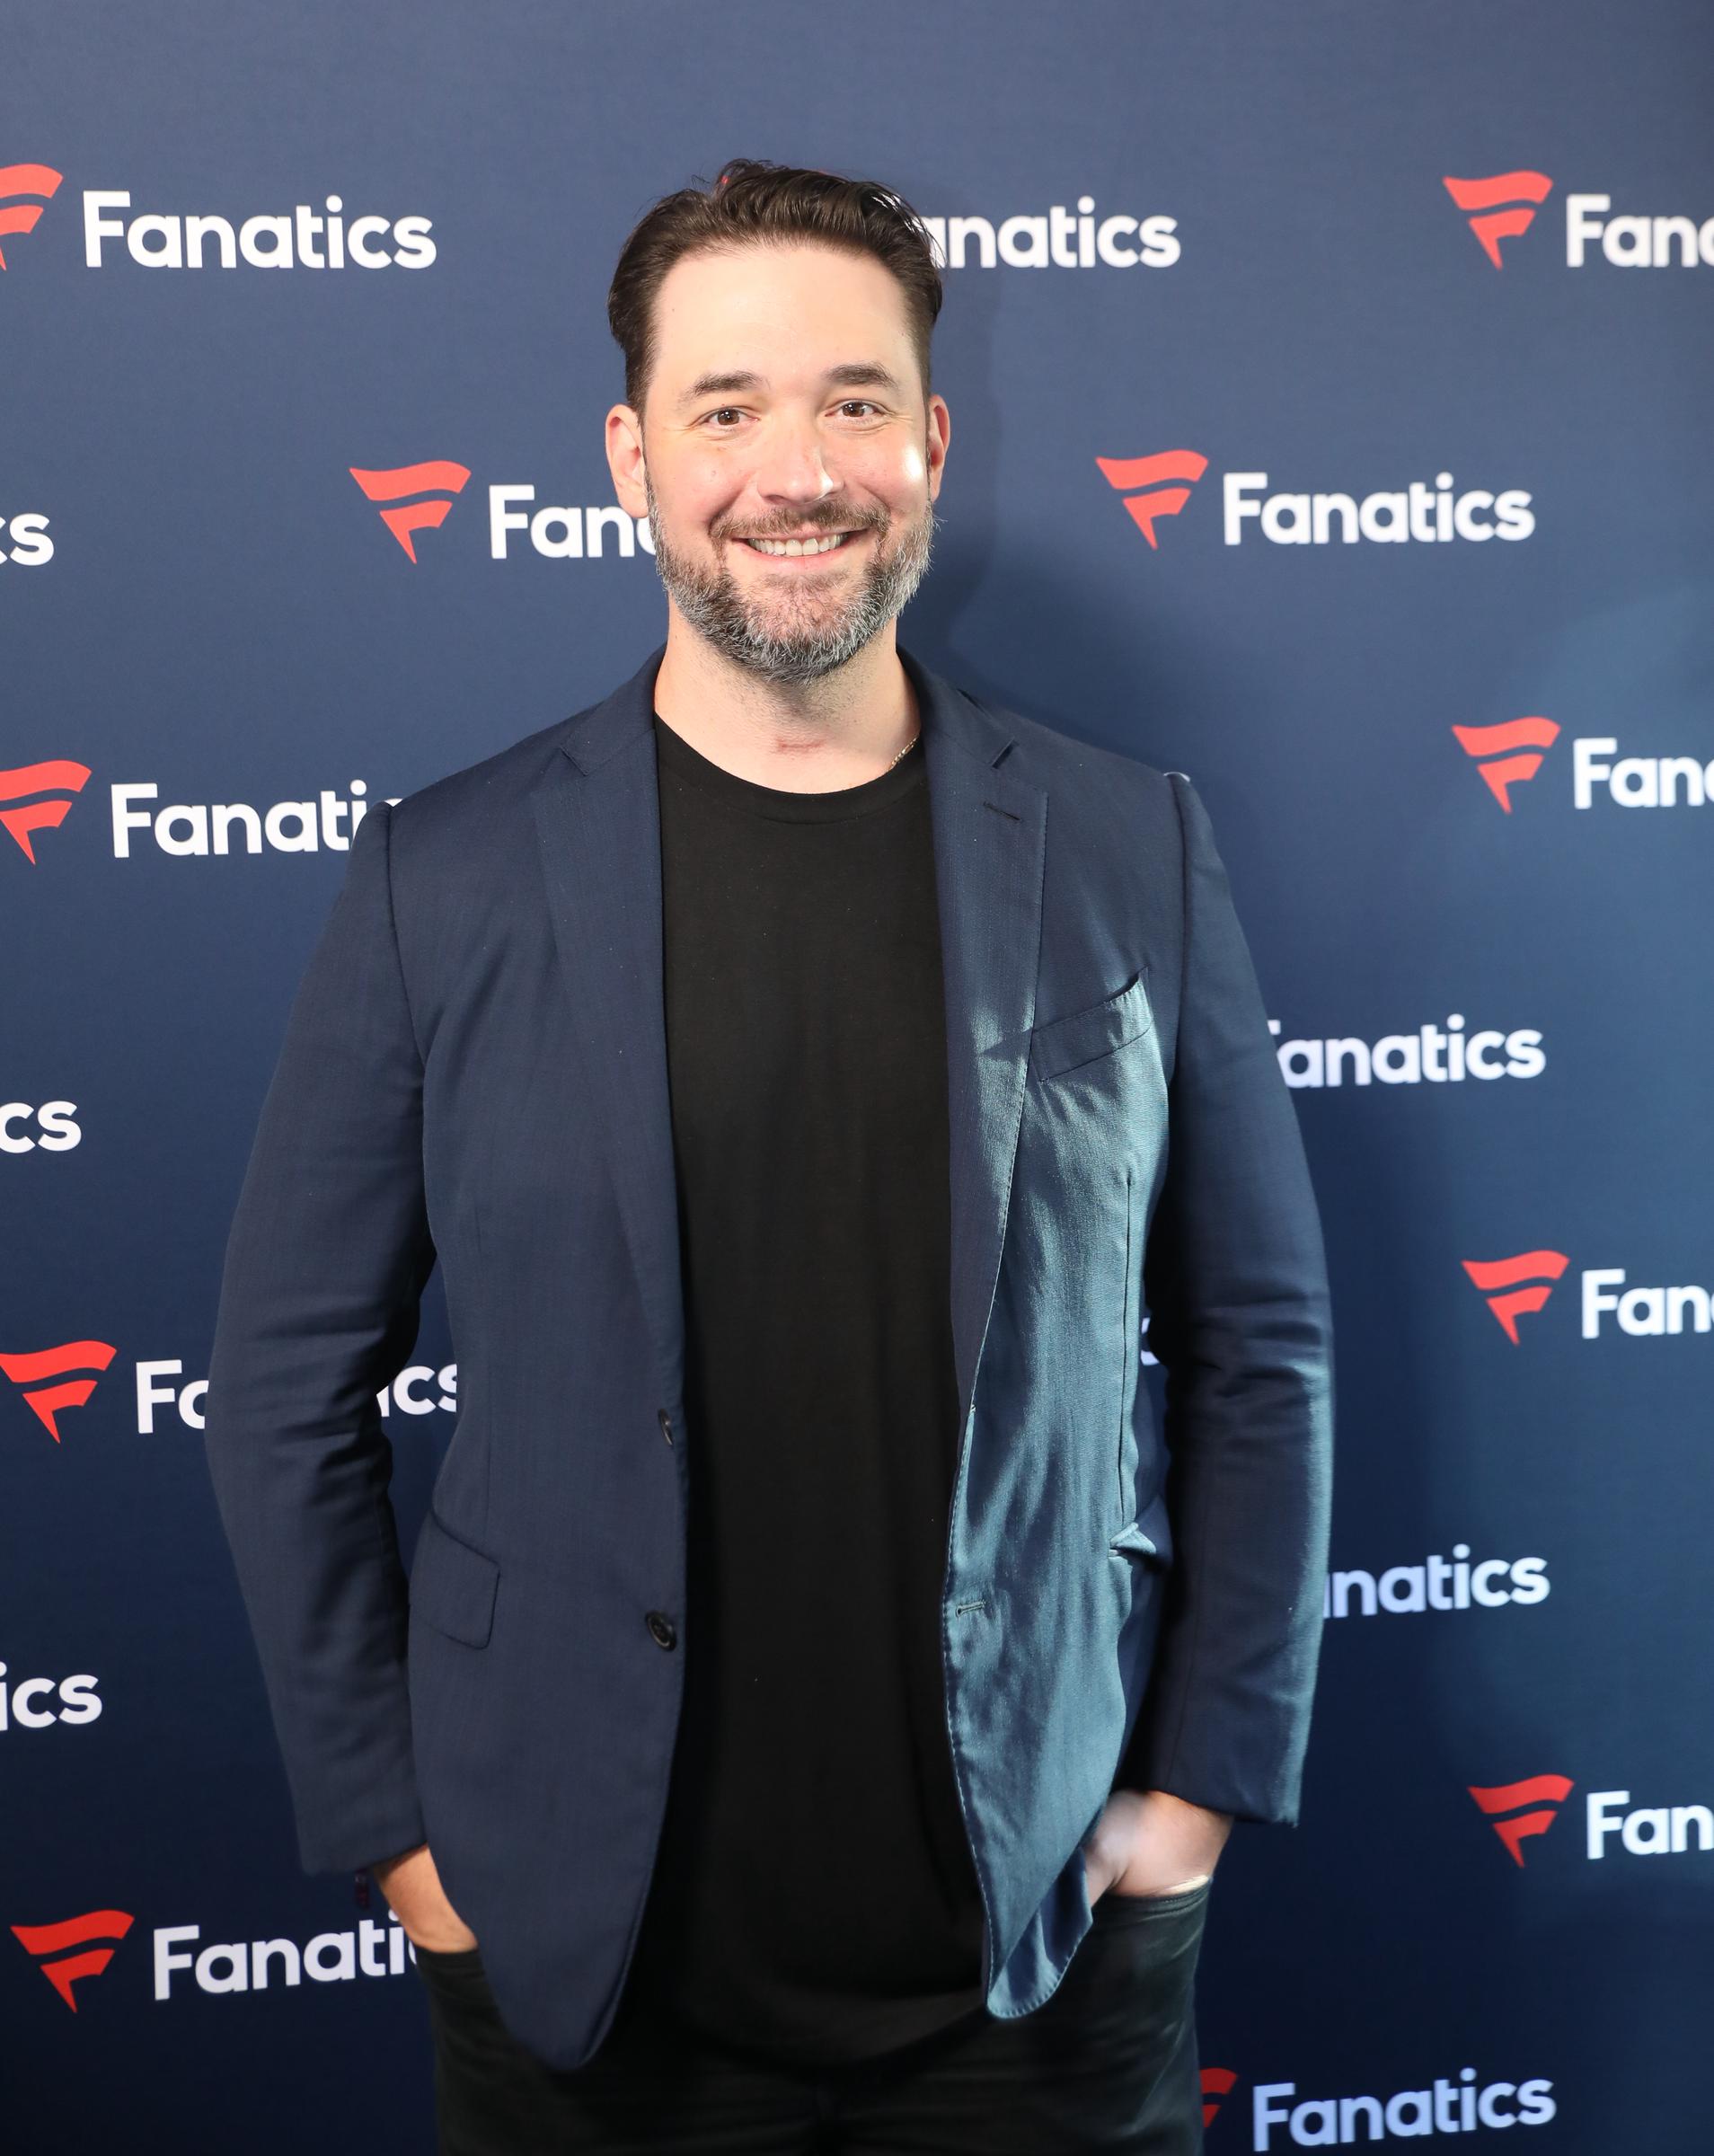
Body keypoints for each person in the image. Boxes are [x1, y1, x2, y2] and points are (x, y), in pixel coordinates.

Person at [204, 156, 1334, 2154]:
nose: (792, 471)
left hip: (1038, 1958)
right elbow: (288, 1383)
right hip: (585, 1974)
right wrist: (401, 1842)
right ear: (633, 455)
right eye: (726, 410)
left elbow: (1258, 1345)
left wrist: (1194, 1803)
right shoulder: (440, 879)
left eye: (852, 401)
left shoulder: (1128, 843)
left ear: (932, 441)